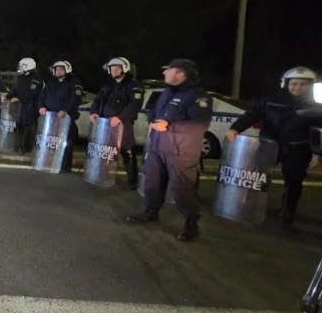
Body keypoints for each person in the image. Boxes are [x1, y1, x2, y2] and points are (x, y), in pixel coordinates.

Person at [127, 58, 211, 241]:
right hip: (158, 146)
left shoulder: (198, 96)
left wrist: (169, 126)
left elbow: (199, 125)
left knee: (181, 188)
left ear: (180, 74)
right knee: (152, 182)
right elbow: (154, 112)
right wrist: (152, 120)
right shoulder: (167, 92)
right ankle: (151, 212)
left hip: (180, 150)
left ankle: (191, 222)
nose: (164, 73)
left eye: (168, 70)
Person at [228, 66, 320, 226]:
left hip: (297, 148)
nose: (297, 87)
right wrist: (235, 128)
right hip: (269, 144)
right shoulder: (271, 100)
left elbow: (319, 131)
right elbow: (252, 114)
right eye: (294, 83)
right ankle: (249, 205)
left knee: (294, 182)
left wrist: (317, 153)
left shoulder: (316, 107)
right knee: (257, 176)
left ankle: (287, 213)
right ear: (286, 84)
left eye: (303, 84)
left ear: (310, 86)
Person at [89, 57, 144, 188]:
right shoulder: (108, 86)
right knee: (104, 150)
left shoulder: (134, 85)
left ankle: (132, 180)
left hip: (122, 123)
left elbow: (135, 104)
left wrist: (120, 117)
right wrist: (94, 112)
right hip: (104, 123)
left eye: (116, 68)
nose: (113, 71)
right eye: (111, 68)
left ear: (124, 68)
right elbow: (97, 100)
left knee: (126, 149)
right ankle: (102, 175)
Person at [37, 60, 83, 171]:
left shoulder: (74, 82)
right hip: (51, 117)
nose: (57, 71)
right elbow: (42, 96)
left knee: (65, 142)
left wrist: (66, 110)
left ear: (67, 70)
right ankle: (49, 162)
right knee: (51, 141)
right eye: (56, 69)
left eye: (60, 69)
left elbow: (75, 99)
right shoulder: (51, 82)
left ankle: (64, 166)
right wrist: (41, 107)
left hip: (65, 118)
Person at [10, 57, 42, 154]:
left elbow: (32, 94)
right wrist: (7, 96)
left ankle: (26, 148)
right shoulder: (22, 78)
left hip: (31, 107)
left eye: (22, 66)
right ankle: (18, 146)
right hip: (21, 107)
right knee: (20, 127)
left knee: (29, 128)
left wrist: (19, 98)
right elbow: (14, 89)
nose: (20, 68)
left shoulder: (36, 79)